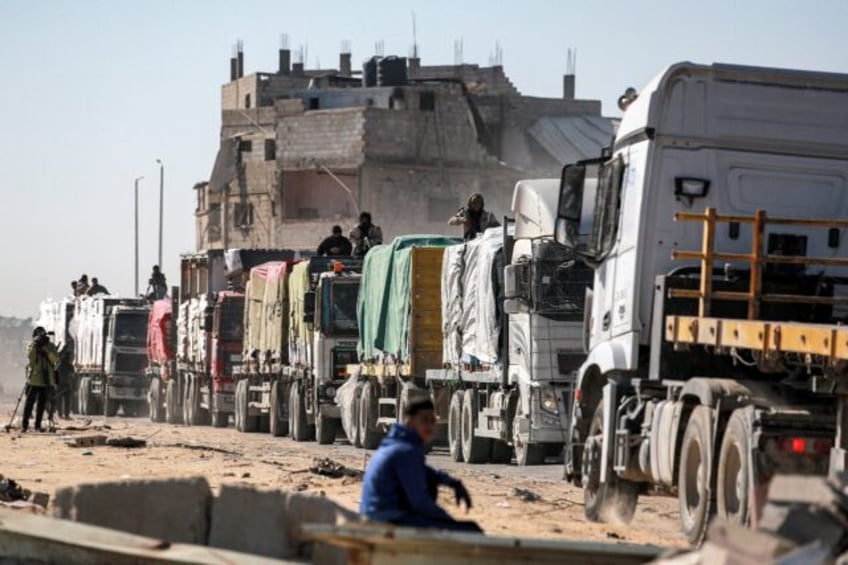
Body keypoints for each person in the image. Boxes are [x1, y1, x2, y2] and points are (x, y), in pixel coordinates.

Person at [360, 398, 482, 533]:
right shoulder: (405, 451)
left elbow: (425, 472)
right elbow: (420, 502)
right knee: (471, 531)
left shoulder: (395, 443)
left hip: (377, 515)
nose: (430, 427)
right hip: (388, 519)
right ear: (409, 421)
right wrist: (448, 521)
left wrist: (452, 482)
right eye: (424, 421)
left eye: (432, 421)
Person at [23, 327, 59, 432]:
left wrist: (46, 350)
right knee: (29, 404)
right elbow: (31, 357)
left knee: (42, 405)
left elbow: (55, 359)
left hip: (46, 380)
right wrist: (35, 346)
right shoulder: (31, 345)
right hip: (33, 379)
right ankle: (24, 425)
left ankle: (37, 426)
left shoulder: (50, 346)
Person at [54, 341, 75, 419]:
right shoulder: (66, 365)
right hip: (63, 384)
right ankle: (63, 414)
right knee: (64, 400)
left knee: (63, 400)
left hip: (63, 385)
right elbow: (72, 375)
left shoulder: (60, 365)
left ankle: (63, 414)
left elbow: (72, 375)